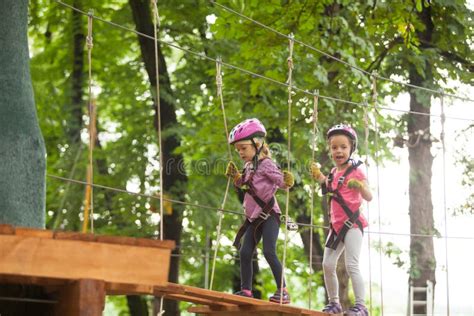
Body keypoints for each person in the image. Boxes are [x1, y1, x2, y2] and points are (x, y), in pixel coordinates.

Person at [225, 118, 294, 304]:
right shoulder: (249, 166)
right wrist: (236, 177)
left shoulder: (267, 164)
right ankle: (246, 290)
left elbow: (281, 183)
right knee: (245, 252)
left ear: (257, 144)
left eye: (243, 148)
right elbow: (245, 184)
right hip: (254, 218)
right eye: (237, 149)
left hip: (269, 215)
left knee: (269, 251)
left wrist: (287, 180)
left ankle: (283, 290)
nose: (240, 152)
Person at [310, 124, 372, 316]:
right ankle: (334, 302)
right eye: (334, 147)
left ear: (351, 148)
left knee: (352, 264)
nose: (339, 150)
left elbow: (369, 196)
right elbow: (328, 185)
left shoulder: (357, 171)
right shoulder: (333, 173)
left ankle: (361, 306)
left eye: (343, 147)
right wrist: (318, 175)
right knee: (327, 264)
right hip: (336, 227)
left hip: (352, 225)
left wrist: (360, 186)